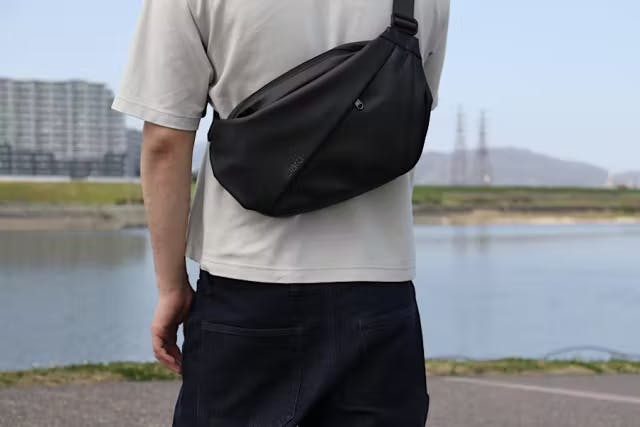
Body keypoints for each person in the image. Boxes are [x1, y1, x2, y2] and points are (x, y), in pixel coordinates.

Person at [112, 0, 449, 425]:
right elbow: (401, 114)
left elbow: (165, 141)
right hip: (380, 291)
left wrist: (171, 288)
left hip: (247, 285)